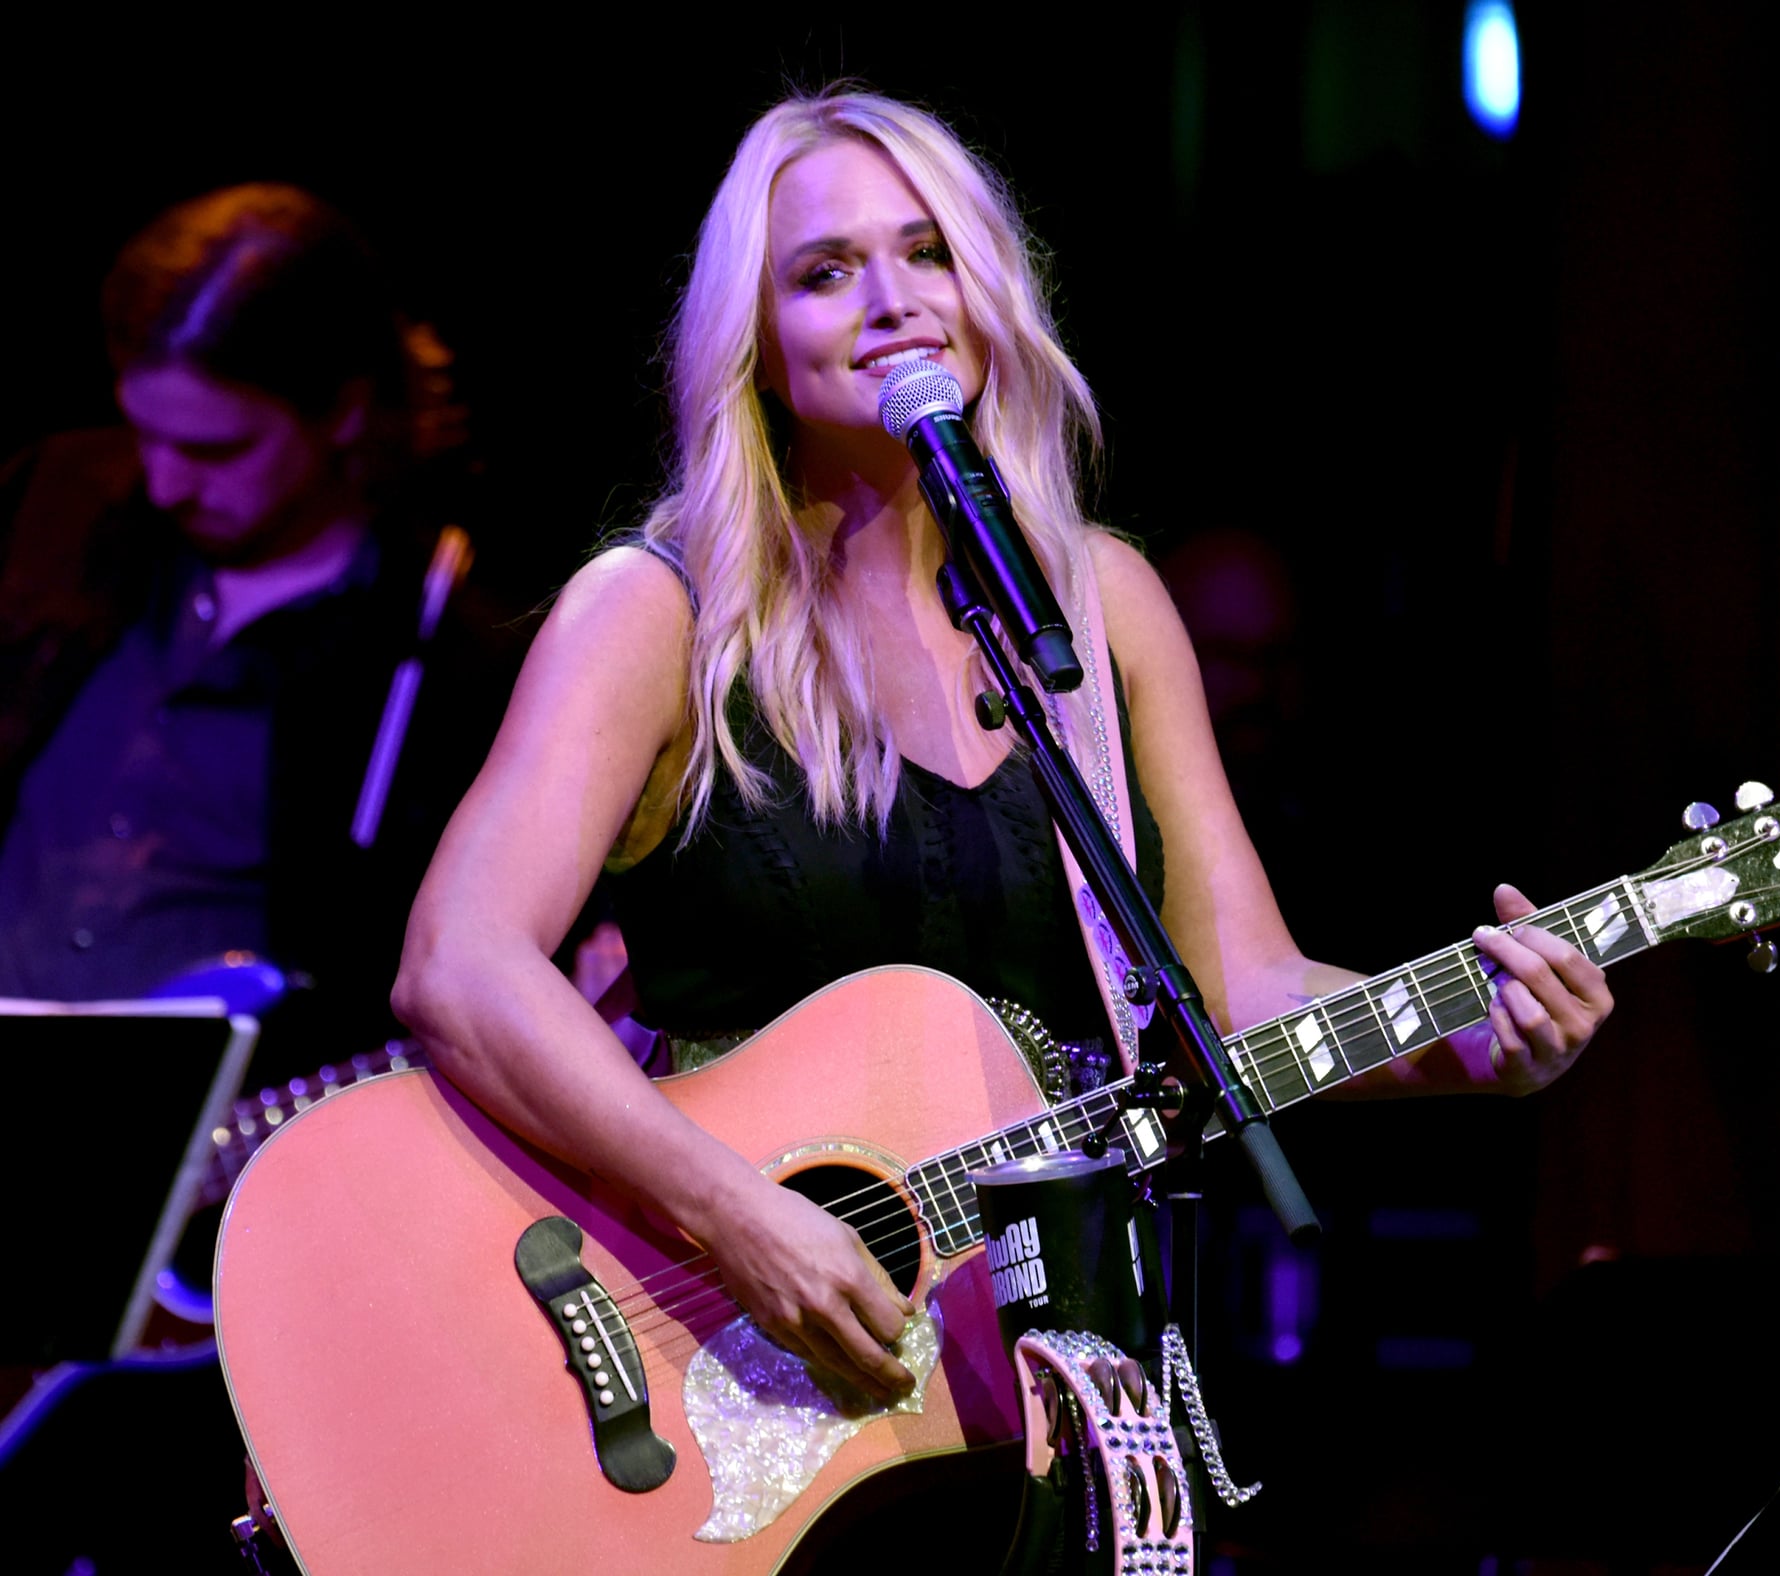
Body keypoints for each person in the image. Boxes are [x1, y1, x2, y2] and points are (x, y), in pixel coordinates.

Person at [392, 86, 1614, 1567]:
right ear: (755, 344)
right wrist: (741, 1219)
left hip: (1049, 1393)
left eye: (929, 254)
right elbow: (462, 965)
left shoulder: (1100, 615)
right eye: (826, 271)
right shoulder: (658, 617)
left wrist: (1475, 1047)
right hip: (737, 1386)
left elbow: (1235, 996)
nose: (896, 303)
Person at [0, 181, 528, 1083]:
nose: (165, 483)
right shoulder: (57, 498)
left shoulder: (448, 653)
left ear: (345, 410)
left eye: (214, 451)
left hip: (218, 1148)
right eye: (145, 433)